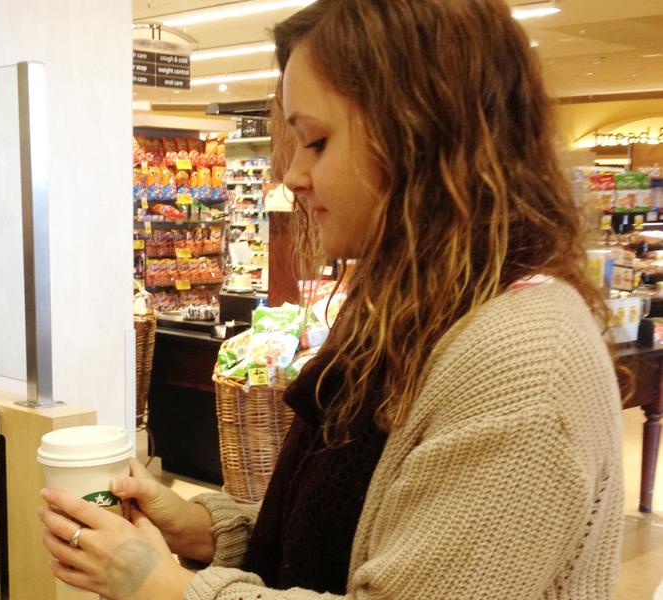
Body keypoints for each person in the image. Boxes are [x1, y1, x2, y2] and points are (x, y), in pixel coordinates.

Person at [38, 0, 624, 597]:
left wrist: (159, 585)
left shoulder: (523, 362)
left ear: (419, 135)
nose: (291, 176)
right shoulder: (415, 305)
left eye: (315, 141)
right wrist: (199, 529)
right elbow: (361, 518)